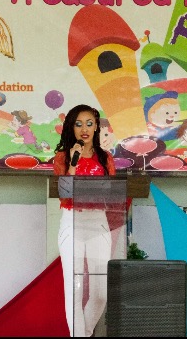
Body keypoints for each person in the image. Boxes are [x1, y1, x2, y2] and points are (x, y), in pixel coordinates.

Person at [53, 104, 118, 337]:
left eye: (89, 124)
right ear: (71, 128)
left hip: (98, 221)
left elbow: (112, 192)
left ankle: (85, 332)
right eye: (79, 124)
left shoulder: (105, 158)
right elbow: (65, 194)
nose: (84, 129)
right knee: (75, 288)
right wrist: (74, 162)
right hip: (72, 221)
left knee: (101, 292)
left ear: (96, 127)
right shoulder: (63, 157)